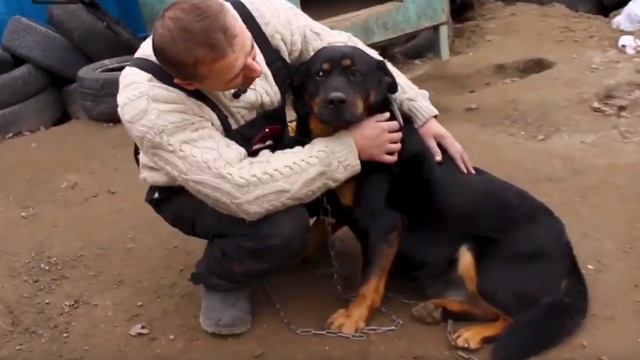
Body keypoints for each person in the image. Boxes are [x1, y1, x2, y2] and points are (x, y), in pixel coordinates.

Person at [117, 0, 474, 336]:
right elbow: (240, 189)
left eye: (251, 53)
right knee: (281, 229)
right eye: (235, 76)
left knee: (349, 177)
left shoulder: (259, 13)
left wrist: (417, 110)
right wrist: (348, 148)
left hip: (268, 148)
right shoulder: (150, 103)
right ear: (188, 83)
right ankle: (223, 277)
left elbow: (347, 47)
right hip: (198, 187)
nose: (257, 72)